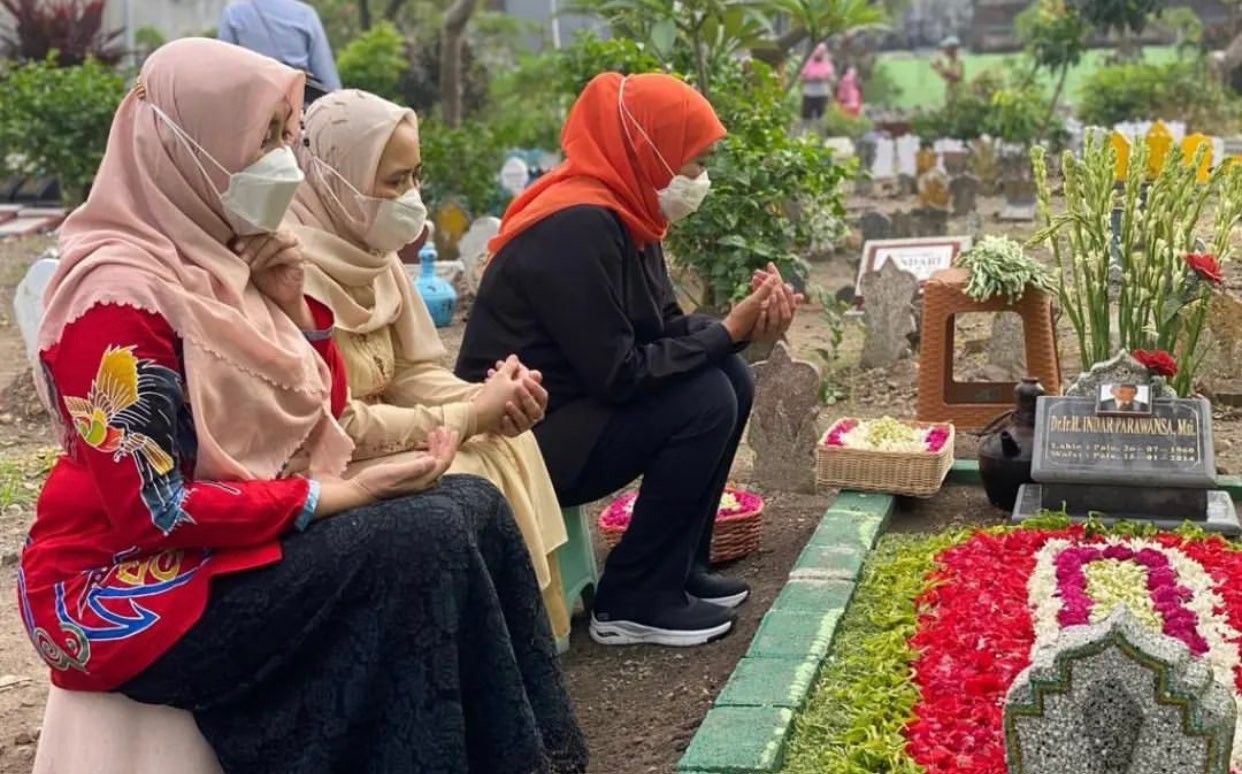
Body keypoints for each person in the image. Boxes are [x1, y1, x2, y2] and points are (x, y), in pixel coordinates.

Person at [17, 38, 585, 774]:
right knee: (420, 543)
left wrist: (300, 315)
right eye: (263, 140)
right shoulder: (116, 298)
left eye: (288, 136)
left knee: (469, 505)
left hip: (229, 535)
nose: (284, 160)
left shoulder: (225, 258)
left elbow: (315, 413)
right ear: (189, 147)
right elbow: (154, 510)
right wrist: (332, 495)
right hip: (124, 585)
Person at [456, 72, 800, 648]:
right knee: (706, 397)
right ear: (651, 149)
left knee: (730, 376)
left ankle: (677, 568)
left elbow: (661, 328)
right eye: (693, 162)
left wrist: (740, 326)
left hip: (570, 412)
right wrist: (725, 334)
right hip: (515, 439)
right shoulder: (576, 226)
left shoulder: (626, 210)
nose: (700, 178)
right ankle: (633, 599)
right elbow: (620, 374)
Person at [287, 88, 572, 642]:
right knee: (465, 470)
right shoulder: (290, 274)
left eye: (416, 176)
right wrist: (468, 418)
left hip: (389, 434)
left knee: (509, 440)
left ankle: (530, 639)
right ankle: (476, 652)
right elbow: (334, 426)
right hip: (330, 465)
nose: (412, 196)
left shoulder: (371, 254)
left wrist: (491, 398)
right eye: (394, 181)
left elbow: (414, 371)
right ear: (334, 176)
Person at [218, 0, 341, 104]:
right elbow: (328, 81)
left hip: (250, 111)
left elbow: (225, 76)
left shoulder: (233, 14)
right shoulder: (305, 15)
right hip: (297, 110)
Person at [799, 43, 836, 121]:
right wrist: (810, 78)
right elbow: (801, 78)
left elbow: (832, 79)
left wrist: (824, 78)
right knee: (806, 118)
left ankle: (819, 132)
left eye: (821, 52)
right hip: (809, 94)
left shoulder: (827, 64)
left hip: (822, 94)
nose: (819, 54)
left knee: (821, 118)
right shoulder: (808, 63)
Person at [931, 35, 964, 104]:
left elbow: (956, 76)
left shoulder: (958, 60)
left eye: (946, 48)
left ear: (952, 49)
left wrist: (940, 67)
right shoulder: (952, 60)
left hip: (956, 95)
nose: (944, 50)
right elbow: (948, 77)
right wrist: (938, 68)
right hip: (952, 93)